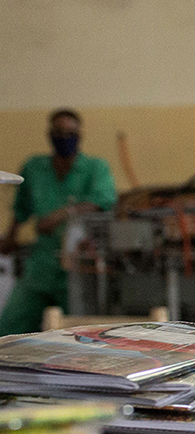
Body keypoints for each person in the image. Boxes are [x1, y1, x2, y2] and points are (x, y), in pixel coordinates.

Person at [0, 109, 118, 335]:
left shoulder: (95, 168)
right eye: (59, 132)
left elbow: (104, 200)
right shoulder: (35, 168)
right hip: (42, 262)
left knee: (77, 332)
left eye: (71, 132)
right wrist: (10, 237)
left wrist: (63, 214)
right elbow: (21, 207)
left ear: (80, 135)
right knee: (11, 327)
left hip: (79, 263)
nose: (65, 137)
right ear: (50, 135)